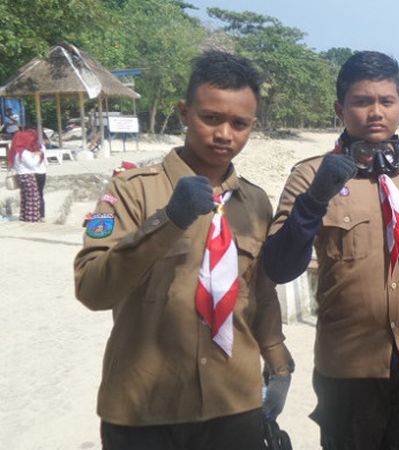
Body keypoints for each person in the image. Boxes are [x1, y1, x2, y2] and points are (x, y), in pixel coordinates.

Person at [73, 50, 293, 450]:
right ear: (183, 113)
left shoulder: (256, 203)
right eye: (211, 118)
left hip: (234, 403)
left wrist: (278, 362)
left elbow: (260, 292)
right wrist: (169, 222)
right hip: (144, 407)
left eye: (239, 124)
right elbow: (92, 289)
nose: (225, 134)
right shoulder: (132, 191)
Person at [264, 50, 399, 449]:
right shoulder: (308, 175)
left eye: (386, 101)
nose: (375, 112)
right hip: (346, 367)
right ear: (340, 108)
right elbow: (280, 267)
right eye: (362, 101)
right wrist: (315, 199)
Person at [7, 127, 47, 222]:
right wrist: (38, 155)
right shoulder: (23, 153)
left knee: (25, 198)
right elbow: (32, 164)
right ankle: (31, 219)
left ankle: (24, 217)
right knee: (32, 199)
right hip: (28, 176)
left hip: (22, 175)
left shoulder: (16, 151)